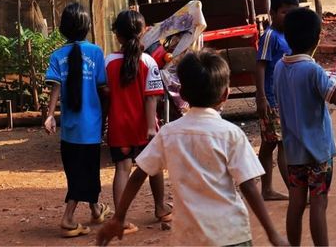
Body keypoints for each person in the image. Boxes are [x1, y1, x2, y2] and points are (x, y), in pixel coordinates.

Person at [96, 50, 287, 247]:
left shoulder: (169, 133)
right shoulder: (231, 134)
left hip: (188, 238)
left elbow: (138, 175)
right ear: (226, 94)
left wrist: (118, 218)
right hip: (230, 234)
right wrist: (272, 234)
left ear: (183, 94)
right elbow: (248, 186)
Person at [273, 7, 336, 247]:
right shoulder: (312, 70)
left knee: (296, 203)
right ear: (317, 37)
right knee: (319, 202)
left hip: (294, 151)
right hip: (318, 152)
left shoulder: (279, 67)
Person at [43, 3, 109, 237]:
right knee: (87, 173)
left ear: (63, 28)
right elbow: (103, 87)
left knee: (77, 171)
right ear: (87, 27)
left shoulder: (57, 56)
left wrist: (50, 115)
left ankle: (96, 209)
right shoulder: (96, 52)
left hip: (70, 130)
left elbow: (55, 87)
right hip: (91, 126)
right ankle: (68, 218)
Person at [104, 10, 170, 236]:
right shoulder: (148, 62)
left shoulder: (109, 62)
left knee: (122, 169)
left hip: (119, 126)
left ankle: (120, 219)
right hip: (144, 125)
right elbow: (151, 96)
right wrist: (151, 127)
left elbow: (105, 92)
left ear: (117, 35)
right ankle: (160, 208)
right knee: (154, 168)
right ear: (143, 33)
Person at [256, 0, 300, 202]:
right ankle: (294, 191)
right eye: (284, 12)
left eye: (292, 13)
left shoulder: (290, 34)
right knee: (282, 144)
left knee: (269, 144)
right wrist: (261, 97)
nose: (288, 17)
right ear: (272, 13)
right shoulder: (270, 36)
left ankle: (266, 189)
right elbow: (261, 66)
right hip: (273, 99)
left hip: (286, 97)